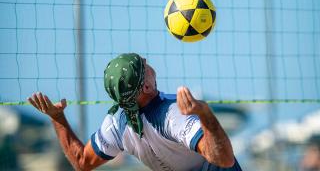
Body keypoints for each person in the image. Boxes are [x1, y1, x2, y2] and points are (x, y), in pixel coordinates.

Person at [28, 53, 242, 171]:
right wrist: (205, 113)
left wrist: (57, 118)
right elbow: (223, 159)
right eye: (143, 65)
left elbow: (81, 162)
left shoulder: (115, 124)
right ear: (146, 87)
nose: (147, 62)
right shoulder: (172, 113)